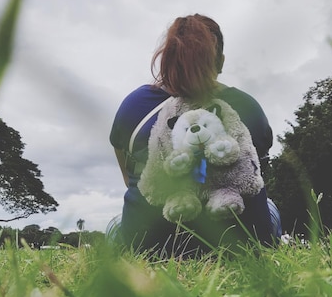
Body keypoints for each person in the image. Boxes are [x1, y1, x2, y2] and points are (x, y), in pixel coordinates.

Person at [109, 14, 278, 256]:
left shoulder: (135, 105)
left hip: (151, 248)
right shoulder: (248, 108)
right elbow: (255, 175)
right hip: (240, 246)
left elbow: (129, 178)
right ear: (219, 62)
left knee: (116, 223)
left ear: (167, 60)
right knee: (270, 206)